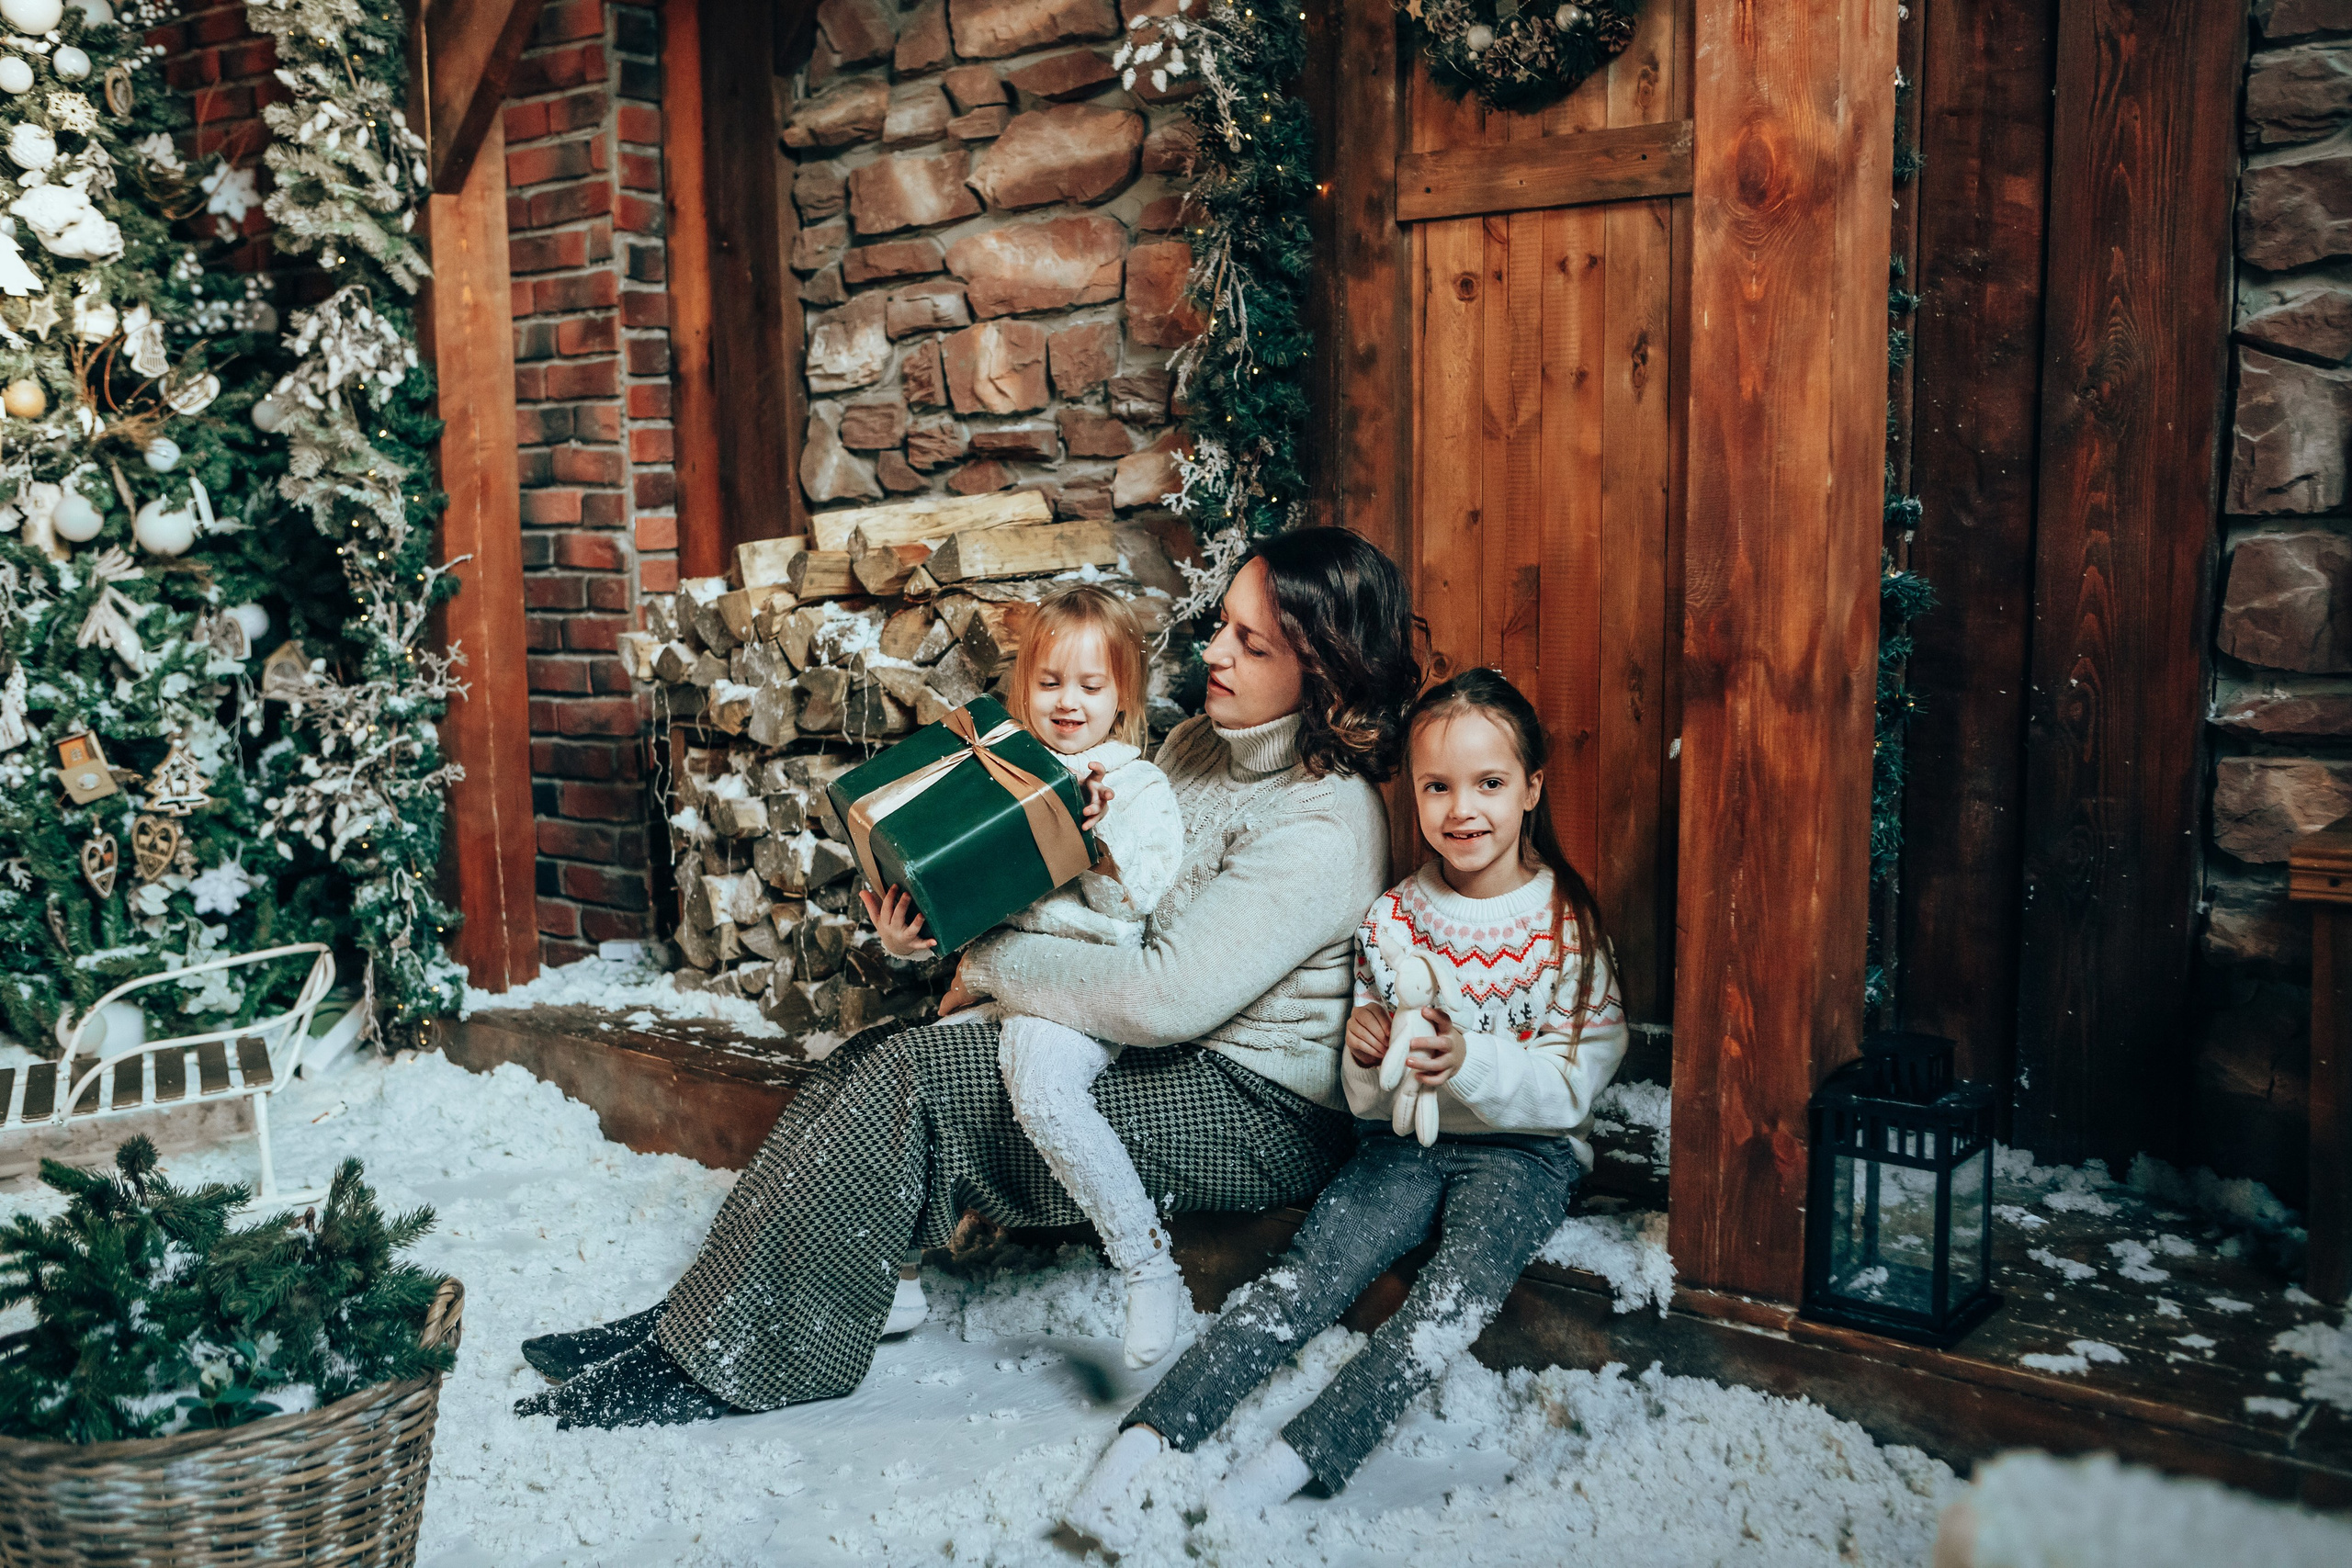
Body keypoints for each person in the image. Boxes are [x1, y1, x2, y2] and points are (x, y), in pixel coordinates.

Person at [514, 526, 1422, 1430]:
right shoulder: (1194, 745)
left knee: (916, 1087)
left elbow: (1163, 994)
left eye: (1250, 643)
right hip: (1148, 1039)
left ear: (1323, 673)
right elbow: (1092, 895)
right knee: (865, 1061)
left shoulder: (1324, 824)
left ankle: (737, 1358)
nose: (1213, 650)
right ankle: (708, 1313)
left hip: (1252, 1105)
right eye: (1222, 624)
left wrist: (986, 963)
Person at [1060, 668, 1627, 1547]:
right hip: (1402, 1143)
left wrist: (1469, 1060)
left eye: (1489, 784)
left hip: (1529, 1152)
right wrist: (1370, 1059)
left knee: (1446, 1305)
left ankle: (1292, 1462)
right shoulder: (1395, 917)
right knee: (1306, 1275)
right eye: (1437, 786)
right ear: (1412, 791)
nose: (1462, 809)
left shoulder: (1565, 925)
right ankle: (1147, 1438)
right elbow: (1365, 1101)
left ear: (1532, 789)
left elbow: (1570, 1086)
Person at [861, 582, 1193, 1369]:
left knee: (1037, 1080)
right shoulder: (1001, 777)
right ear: (1021, 690)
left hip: (1079, 994)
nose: (1068, 702)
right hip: (1001, 981)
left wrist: (1098, 837)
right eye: (1049, 683)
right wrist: (908, 938)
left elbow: (1133, 900)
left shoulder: (1137, 785)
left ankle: (1147, 1262)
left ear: (1124, 696)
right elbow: (966, 903)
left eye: (1090, 685)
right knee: (915, 1070)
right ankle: (904, 1266)